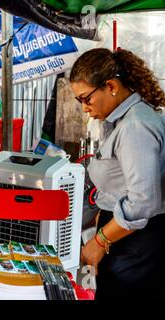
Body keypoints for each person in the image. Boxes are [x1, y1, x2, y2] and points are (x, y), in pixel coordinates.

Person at [70, 48, 165, 300]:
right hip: (124, 235)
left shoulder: (136, 126)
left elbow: (143, 203)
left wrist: (99, 241)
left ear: (111, 86)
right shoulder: (122, 120)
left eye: (86, 99)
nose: (85, 109)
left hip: (136, 242)